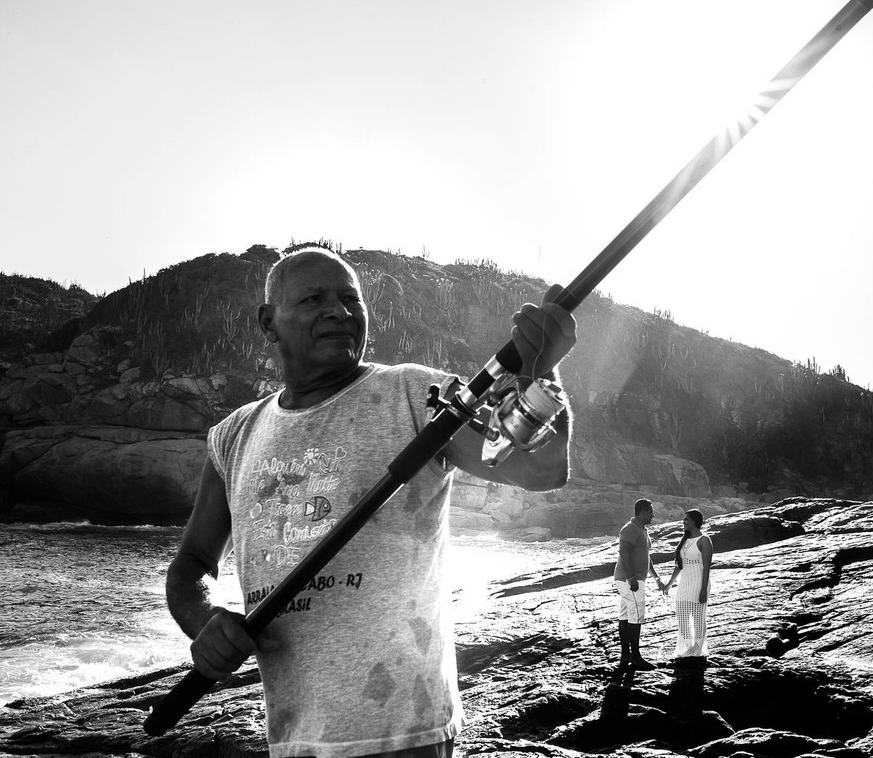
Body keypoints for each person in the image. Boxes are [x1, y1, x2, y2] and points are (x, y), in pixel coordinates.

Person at [164, 246, 576, 758]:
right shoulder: (234, 436)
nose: (338, 311)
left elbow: (540, 470)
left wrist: (542, 374)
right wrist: (206, 620)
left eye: (349, 299)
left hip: (407, 735)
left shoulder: (417, 394)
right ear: (268, 322)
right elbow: (192, 565)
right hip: (293, 740)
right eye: (314, 298)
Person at [612, 498, 667, 670]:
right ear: (642, 512)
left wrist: (656, 577)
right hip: (629, 579)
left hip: (631, 579)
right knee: (636, 615)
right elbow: (624, 552)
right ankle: (635, 657)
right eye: (650, 511)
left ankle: (626, 656)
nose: (653, 515)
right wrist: (632, 577)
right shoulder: (629, 529)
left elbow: (646, 556)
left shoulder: (642, 529)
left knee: (626, 615)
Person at [663, 509, 713, 659]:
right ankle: (685, 648)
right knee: (682, 616)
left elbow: (706, 567)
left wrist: (703, 589)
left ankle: (697, 649)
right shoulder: (684, 540)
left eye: (686, 519)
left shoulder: (704, 540)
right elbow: (679, 565)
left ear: (695, 521)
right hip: (684, 583)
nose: (683, 522)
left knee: (698, 617)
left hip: (699, 583)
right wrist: (669, 584)